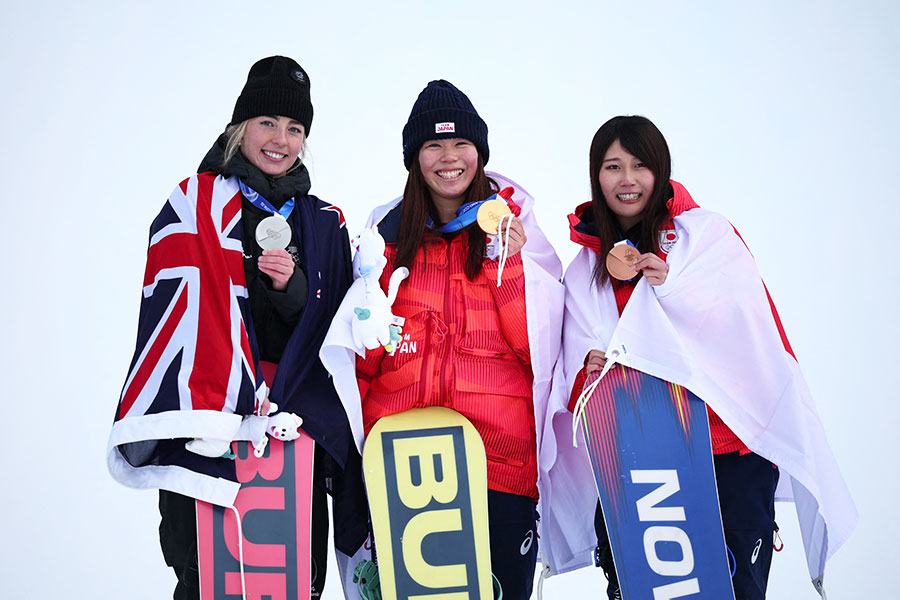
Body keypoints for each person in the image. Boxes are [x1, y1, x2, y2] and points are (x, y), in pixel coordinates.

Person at [536, 115, 856, 599]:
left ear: (660, 170)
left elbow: (748, 332)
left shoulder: (704, 238)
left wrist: (672, 290)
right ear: (595, 176)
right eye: (613, 166)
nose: (627, 180)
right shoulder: (584, 270)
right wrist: (590, 373)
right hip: (635, 462)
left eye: (640, 165)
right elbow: (570, 374)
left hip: (728, 452)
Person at [107, 56, 364, 599]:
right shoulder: (193, 203)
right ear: (239, 127)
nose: (282, 139)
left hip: (293, 432)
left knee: (292, 580)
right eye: (268, 122)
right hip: (207, 427)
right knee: (205, 577)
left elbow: (339, 330)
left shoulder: (323, 221)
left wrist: (293, 291)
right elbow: (171, 310)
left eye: (295, 128)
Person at [320, 80, 564, 600]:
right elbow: (362, 357)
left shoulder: (517, 230)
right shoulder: (385, 237)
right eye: (433, 145)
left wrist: (510, 263)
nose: (449, 158)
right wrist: (354, 459)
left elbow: (536, 351)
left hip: (495, 462)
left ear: (480, 152)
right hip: (402, 461)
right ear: (415, 158)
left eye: (461, 145)